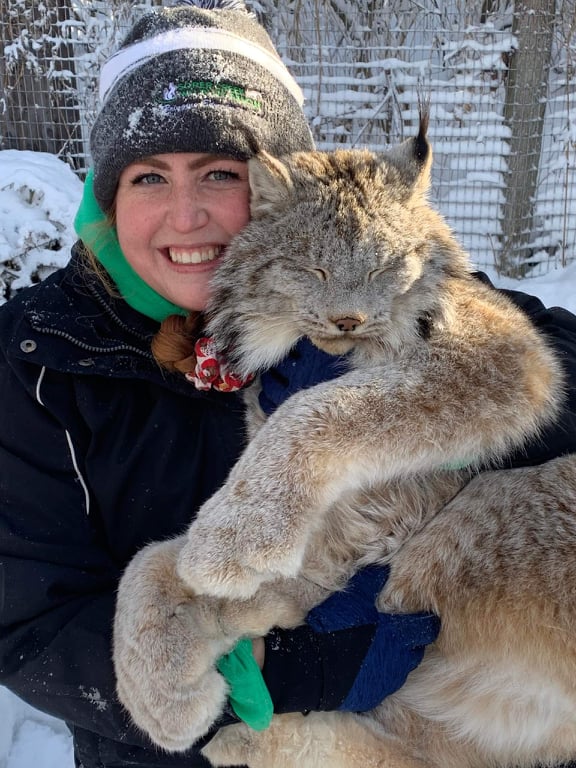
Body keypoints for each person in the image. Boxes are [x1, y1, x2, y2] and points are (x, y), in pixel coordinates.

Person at [0, 2, 575, 767]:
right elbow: (25, 620)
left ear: (286, 194)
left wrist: (411, 407)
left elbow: (544, 365)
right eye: (147, 177)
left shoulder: (379, 284)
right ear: (109, 198)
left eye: (219, 173)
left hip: (488, 679)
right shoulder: (37, 358)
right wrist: (276, 671)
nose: (187, 213)